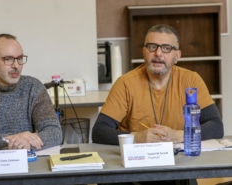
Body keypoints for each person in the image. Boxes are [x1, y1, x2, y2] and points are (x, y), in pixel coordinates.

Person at [92, 24, 224, 185]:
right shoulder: (125, 83)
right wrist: (137, 137)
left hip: (177, 169)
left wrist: (179, 135)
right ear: (143, 51)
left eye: (166, 48)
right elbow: (99, 131)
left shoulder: (191, 80)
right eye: (152, 47)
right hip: (133, 170)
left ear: (177, 55)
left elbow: (216, 126)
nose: (158, 53)